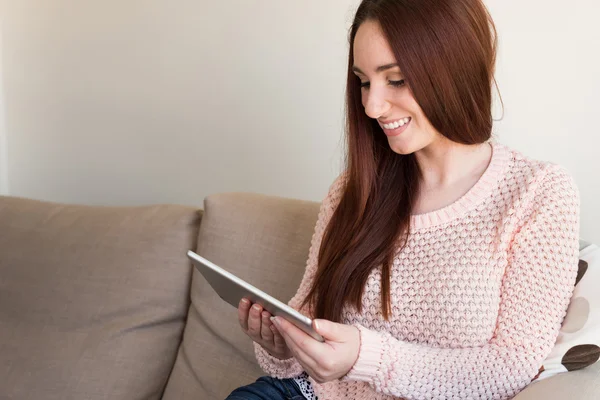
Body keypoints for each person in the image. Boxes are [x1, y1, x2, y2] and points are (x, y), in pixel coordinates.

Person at [226, 0, 581, 399]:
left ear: (454, 71)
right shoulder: (351, 190)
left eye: (395, 80)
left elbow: (512, 365)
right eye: (363, 81)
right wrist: (283, 345)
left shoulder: (538, 192)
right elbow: (310, 322)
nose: (372, 106)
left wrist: (367, 356)